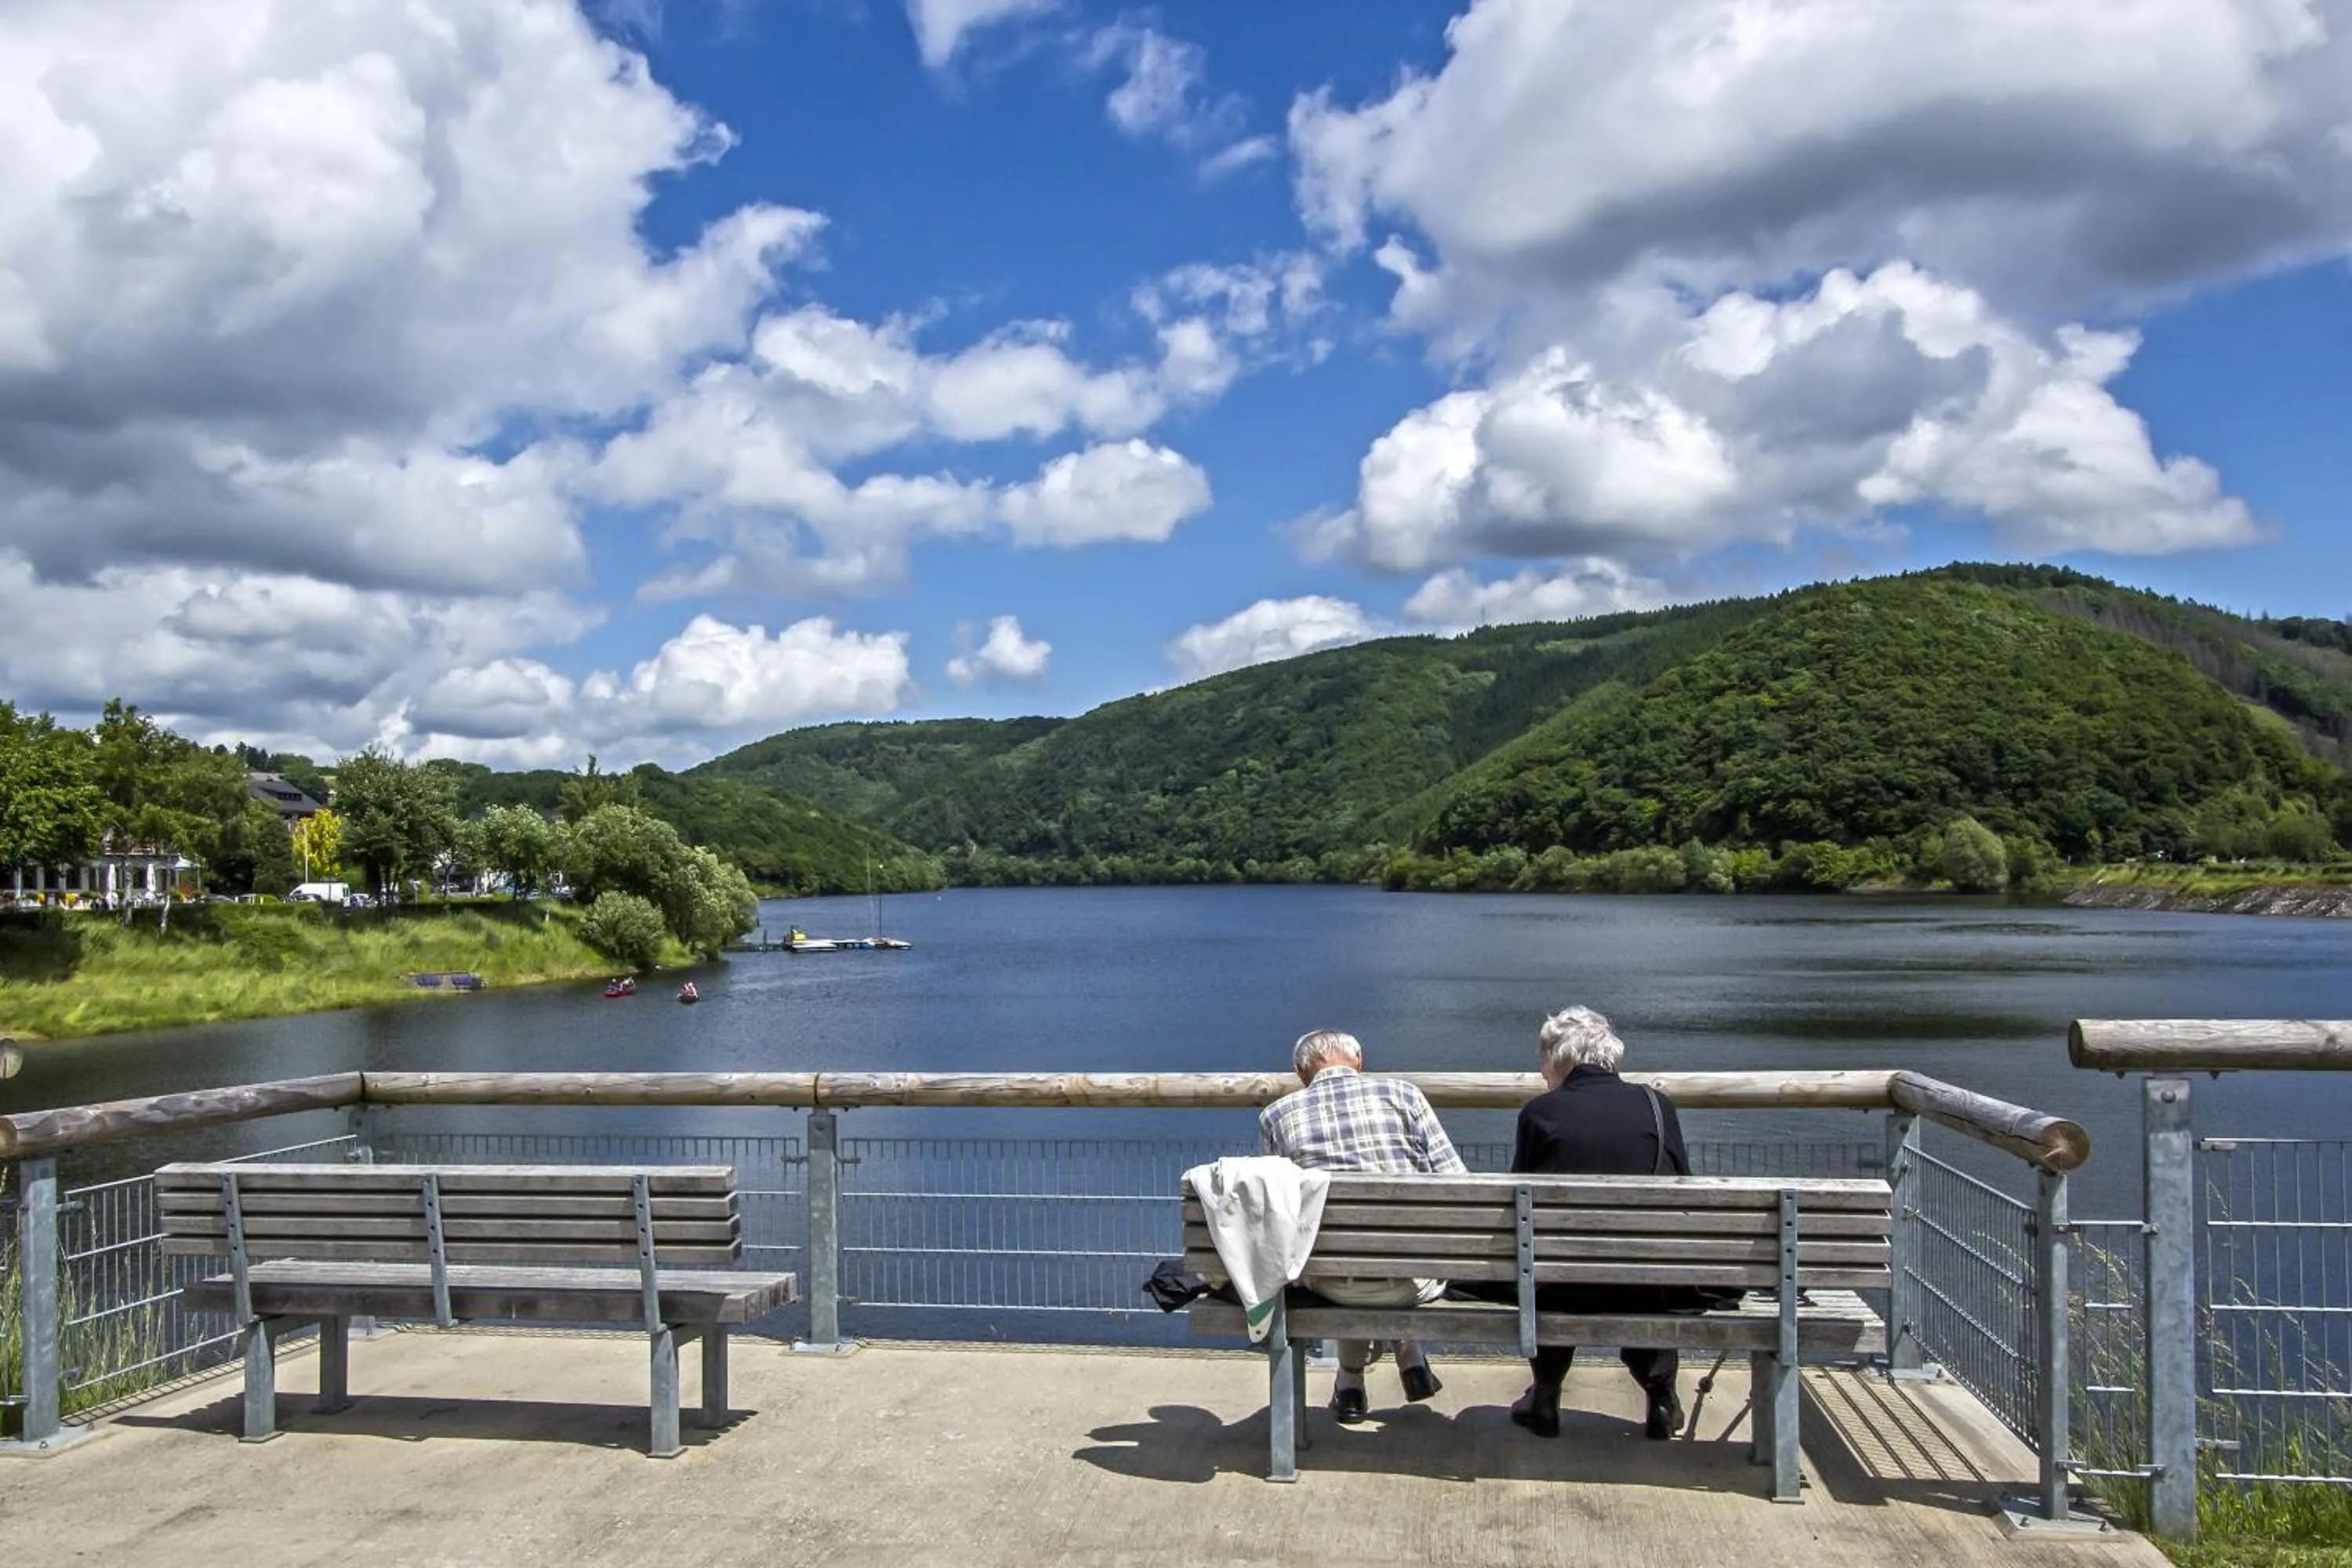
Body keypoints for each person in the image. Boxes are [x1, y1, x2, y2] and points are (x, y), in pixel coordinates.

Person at [1503, 1004, 1693, 1441]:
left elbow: (1518, 1201)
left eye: (1542, 1057)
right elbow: (1684, 1185)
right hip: (1646, 1283)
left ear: (1558, 1057)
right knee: (1646, 1259)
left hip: (1562, 1282)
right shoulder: (1657, 1105)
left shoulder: (1540, 1113)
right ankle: (1661, 1398)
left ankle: (1546, 1397)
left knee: (1545, 1265)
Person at [1258, 1028, 1467, 1424]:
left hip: (1332, 1282)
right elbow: (1459, 1184)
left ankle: (1351, 1385)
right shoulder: (1405, 1096)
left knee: (1345, 1265)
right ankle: (1409, 1356)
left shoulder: (1276, 1116)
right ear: (1359, 1061)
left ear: (1303, 1075)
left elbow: (1278, 1211)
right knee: (1386, 1260)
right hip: (1413, 1281)